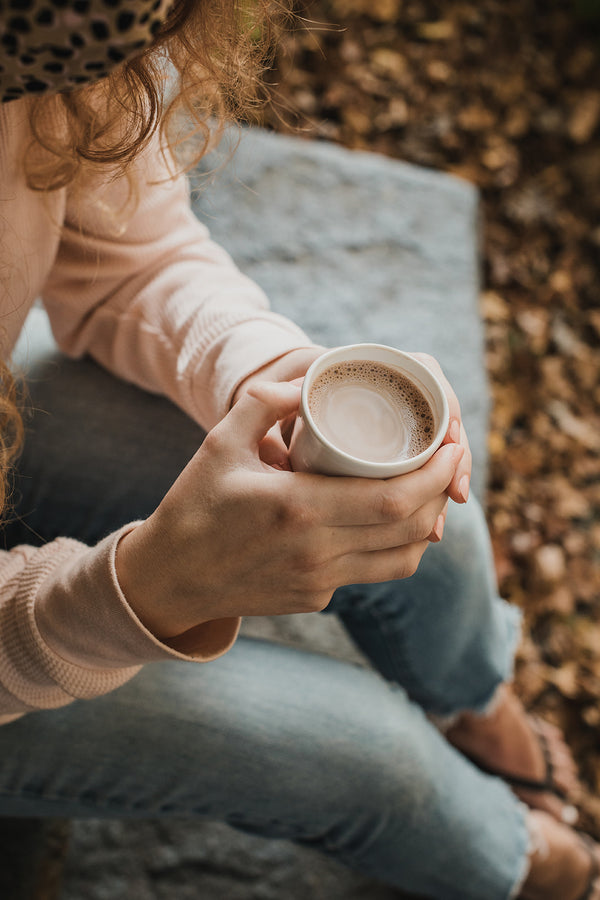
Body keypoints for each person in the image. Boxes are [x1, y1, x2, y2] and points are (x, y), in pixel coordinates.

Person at [0, 2, 598, 897]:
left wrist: (280, 380)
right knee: (378, 769)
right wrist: (146, 590)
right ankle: (519, 866)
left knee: (439, 533)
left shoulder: (77, 32)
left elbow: (135, 253)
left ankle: (473, 706)